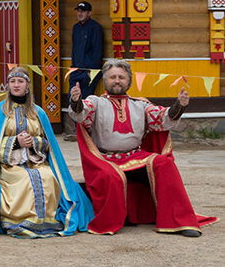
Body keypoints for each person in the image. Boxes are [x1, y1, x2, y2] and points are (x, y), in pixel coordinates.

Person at [69, 59, 216, 236]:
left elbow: (161, 118)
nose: (117, 80)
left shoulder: (141, 104)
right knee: (112, 177)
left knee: (164, 164)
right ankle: (112, 221)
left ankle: (179, 221)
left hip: (135, 157)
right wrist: (76, 101)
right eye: (113, 77)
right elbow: (81, 114)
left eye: (121, 77)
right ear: (105, 80)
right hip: (105, 160)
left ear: (129, 81)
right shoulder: (95, 102)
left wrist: (179, 106)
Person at [0, 66, 93, 237]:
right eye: (12, 81)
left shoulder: (38, 112)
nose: (16, 85)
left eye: (20, 81)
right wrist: (15, 142)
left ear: (27, 86)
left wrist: (34, 142)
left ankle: (47, 221)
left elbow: (48, 144)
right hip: (7, 166)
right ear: (7, 85)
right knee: (24, 179)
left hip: (35, 161)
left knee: (47, 177)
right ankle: (20, 220)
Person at [70, 1, 103, 98]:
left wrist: (91, 72)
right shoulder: (75, 28)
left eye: (83, 11)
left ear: (89, 13)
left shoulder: (95, 27)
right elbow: (74, 50)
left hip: (88, 72)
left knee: (84, 101)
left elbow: (97, 50)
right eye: (78, 11)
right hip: (75, 70)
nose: (80, 14)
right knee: (72, 99)